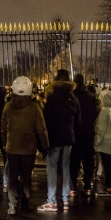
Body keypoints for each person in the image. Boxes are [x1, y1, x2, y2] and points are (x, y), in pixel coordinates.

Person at [1, 76, 48, 215]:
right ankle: (26, 202)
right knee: (26, 176)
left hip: (12, 147)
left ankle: (12, 205)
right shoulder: (34, 107)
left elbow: (3, 128)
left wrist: (5, 143)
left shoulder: (8, 106)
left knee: (12, 176)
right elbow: (41, 129)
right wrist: (44, 146)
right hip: (28, 147)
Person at [38, 69, 79, 212]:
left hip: (54, 138)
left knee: (52, 168)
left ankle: (52, 200)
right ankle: (66, 198)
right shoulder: (73, 98)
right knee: (66, 167)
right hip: (69, 137)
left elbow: (46, 120)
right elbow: (78, 120)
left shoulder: (53, 98)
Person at [94, 90, 111, 197]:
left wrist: (96, 142)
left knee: (107, 165)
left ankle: (108, 188)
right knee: (110, 165)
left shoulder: (104, 112)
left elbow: (100, 129)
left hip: (105, 142)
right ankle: (110, 186)